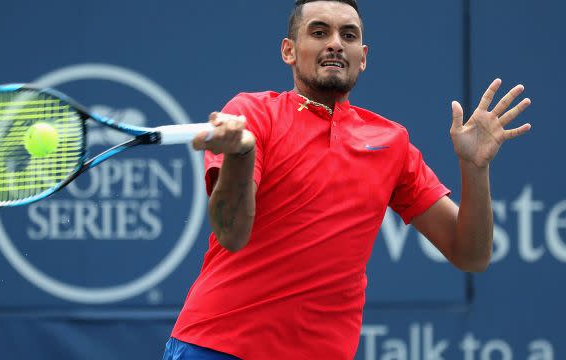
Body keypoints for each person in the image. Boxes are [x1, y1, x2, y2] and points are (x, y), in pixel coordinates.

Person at [163, 0, 532, 359]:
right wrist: (241, 155)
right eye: (319, 32)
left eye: (349, 35)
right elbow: (231, 233)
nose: (335, 43)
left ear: (364, 56)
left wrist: (475, 168)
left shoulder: (392, 142)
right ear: (289, 51)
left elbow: (471, 254)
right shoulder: (252, 114)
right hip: (217, 347)